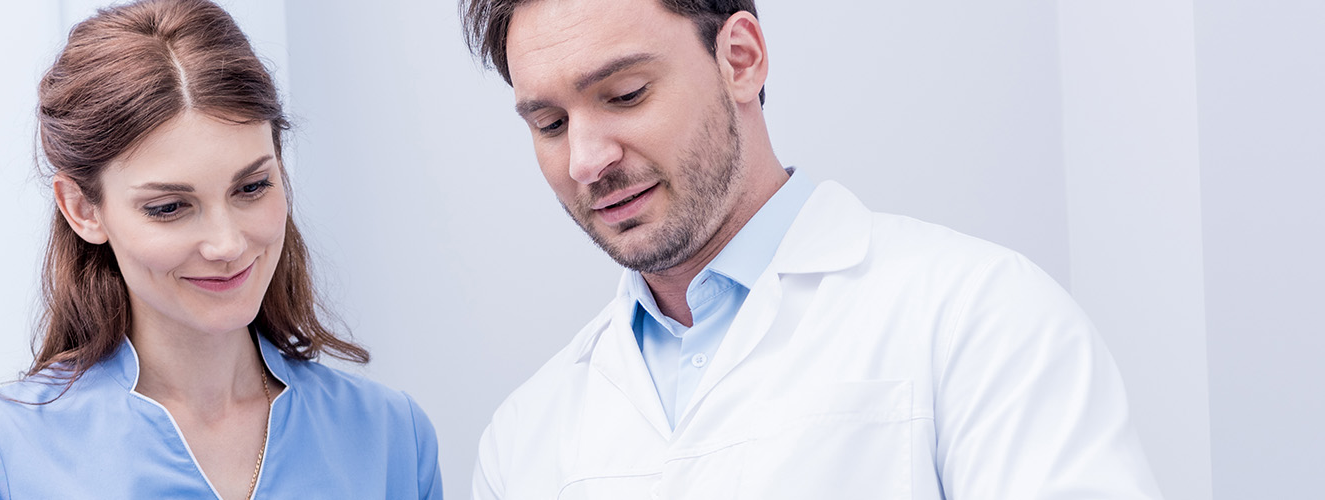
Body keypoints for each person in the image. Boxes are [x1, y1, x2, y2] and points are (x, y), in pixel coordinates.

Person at [456, 0, 1161, 498]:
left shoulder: (979, 318)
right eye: (550, 124)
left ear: (740, 60)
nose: (586, 160)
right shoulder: (523, 437)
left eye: (626, 94)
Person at [0, 1, 443, 498]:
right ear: (83, 209)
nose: (227, 244)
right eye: (169, 207)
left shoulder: (390, 436)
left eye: (252, 187)